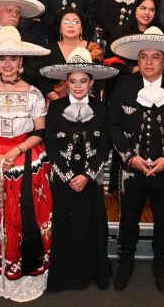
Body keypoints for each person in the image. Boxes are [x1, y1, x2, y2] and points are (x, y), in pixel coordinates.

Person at [0, 26, 52, 301]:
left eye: (12, 59)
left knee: (22, 219)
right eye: (2, 59)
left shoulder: (34, 93)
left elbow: (39, 131)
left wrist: (16, 149)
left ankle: (21, 278)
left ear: (21, 62)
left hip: (26, 159)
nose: (7, 64)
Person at [108, 26, 164, 292]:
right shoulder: (124, 85)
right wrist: (130, 157)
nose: (148, 61)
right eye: (144, 56)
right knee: (127, 221)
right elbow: (113, 125)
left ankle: (161, 267)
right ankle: (125, 264)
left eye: (155, 56)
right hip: (131, 169)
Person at [41, 48, 118, 291]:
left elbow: (105, 145)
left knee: (90, 224)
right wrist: (66, 175)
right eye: (72, 81)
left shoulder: (101, 108)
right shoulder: (55, 107)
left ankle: (92, 272)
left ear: (91, 82)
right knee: (64, 226)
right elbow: (50, 144)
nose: (77, 86)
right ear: (66, 82)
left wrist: (86, 175)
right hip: (63, 177)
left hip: (90, 178)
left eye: (83, 81)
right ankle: (64, 275)